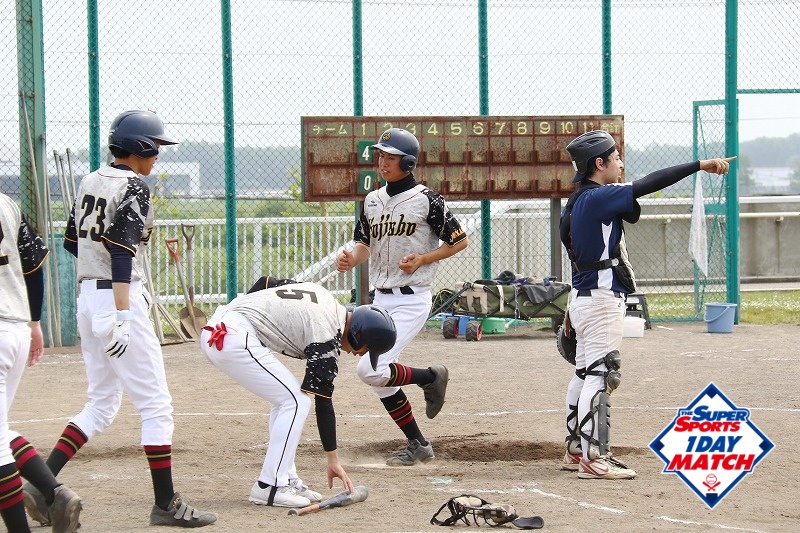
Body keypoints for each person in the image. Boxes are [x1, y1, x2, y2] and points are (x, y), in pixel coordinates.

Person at [24, 110, 217, 528]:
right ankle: (165, 504)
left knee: (102, 403)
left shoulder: (89, 180)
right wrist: (125, 313)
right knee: (157, 406)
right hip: (117, 300)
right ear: (139, 146)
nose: (158, 155)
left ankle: (42, 485)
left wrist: (106, 296)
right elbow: (121, 250)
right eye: (155, 147)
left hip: (88, 299)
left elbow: (73, 243)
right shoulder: (134, 185)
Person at [558, 129, 735, 479]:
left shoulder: (575, 202)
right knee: (601, 373)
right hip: (601, 300)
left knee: (584, 373)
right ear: (599, 163)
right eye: (615, 157)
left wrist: (573, 306)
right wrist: (700, 165)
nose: (620, 163)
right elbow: (650, 183)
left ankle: (577, 450)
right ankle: (593, 458)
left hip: (584, 297)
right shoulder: (598, 197)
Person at [199, 277, 396, 507]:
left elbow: (265, 282)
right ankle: (270, 486)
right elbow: (324, 402)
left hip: (224, 325)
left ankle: (286, 478)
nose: (361, 354)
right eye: (367, 349)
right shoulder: (327, 335)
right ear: (358, 334)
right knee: (296, 402)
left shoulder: (322, 296)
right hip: (231, 335)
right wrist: (333, 459)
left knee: (287, 400)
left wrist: (245, 313)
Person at [335, 128, 468, 466]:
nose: (383, 162)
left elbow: (459, 241)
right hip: (379, 301)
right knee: (380, 378)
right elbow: (364, 244)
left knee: (370, 370)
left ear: (408, 162)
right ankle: (419, 444)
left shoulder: (427, 199)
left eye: (390, 157)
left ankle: (430, 377)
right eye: (380, 155)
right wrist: (352, 258)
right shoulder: (372, 200)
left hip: (410, 300)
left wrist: (424, 258)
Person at [0, 193, 83, 533]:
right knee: (1, 430)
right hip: (16, 326)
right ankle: (53, 491)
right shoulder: (7, 203)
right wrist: (34, 322)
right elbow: (33, 263)